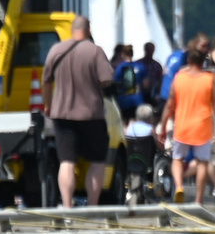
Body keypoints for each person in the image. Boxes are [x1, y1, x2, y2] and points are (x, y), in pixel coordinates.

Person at [41, 16, 115, 207]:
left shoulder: (56, 50)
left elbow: (46, 81)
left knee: (67, 161)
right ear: (88, 29)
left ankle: (67, 206)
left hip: (62, 114)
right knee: (97, 161)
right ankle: (92, 206)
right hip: (91, 114)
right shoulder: (95, 51)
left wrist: (48, 105)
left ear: (72, 29)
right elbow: (107, 80)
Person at [158, 47, 215, 203]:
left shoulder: (179, 78)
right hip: (202, 126)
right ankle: (198, 199)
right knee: (202, 162)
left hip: (182, 126)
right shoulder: (209, 79)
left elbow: (169, 105)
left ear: (189, 61)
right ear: (203, 62)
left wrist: (163, 127)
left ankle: (179, 187)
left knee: (177, 159)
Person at [111, 44, 144, 122]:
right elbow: (146, 85)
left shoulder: (120, 68)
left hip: (124, 100)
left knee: (125, 122)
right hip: (138, 99)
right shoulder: (140, 67)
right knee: (136, 121)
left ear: (123, 55)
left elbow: (115, 82)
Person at [135, 42, 165, 108]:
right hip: (140, 95)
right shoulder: (138, 64)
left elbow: (160, 81)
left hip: (153, 96)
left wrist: (159, 94)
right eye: (148, 50)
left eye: (151, 50)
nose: (149, 52)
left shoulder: (157, 66)